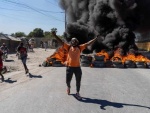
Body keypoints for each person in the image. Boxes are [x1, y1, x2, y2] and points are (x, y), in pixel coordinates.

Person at [52, 31, 97, 99]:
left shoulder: (80, 47)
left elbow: (88, 43)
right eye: (72, 41)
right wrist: (55, 35)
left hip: (77, 68)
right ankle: (68, 87)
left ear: (77, 42)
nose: (74, 42)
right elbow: (61, 41)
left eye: (75, 41)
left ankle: (77, 93)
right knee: (67, 81)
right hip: (69, 67)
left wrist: (95, 38)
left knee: (78, 81)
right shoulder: (68, 47)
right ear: (71, 42)